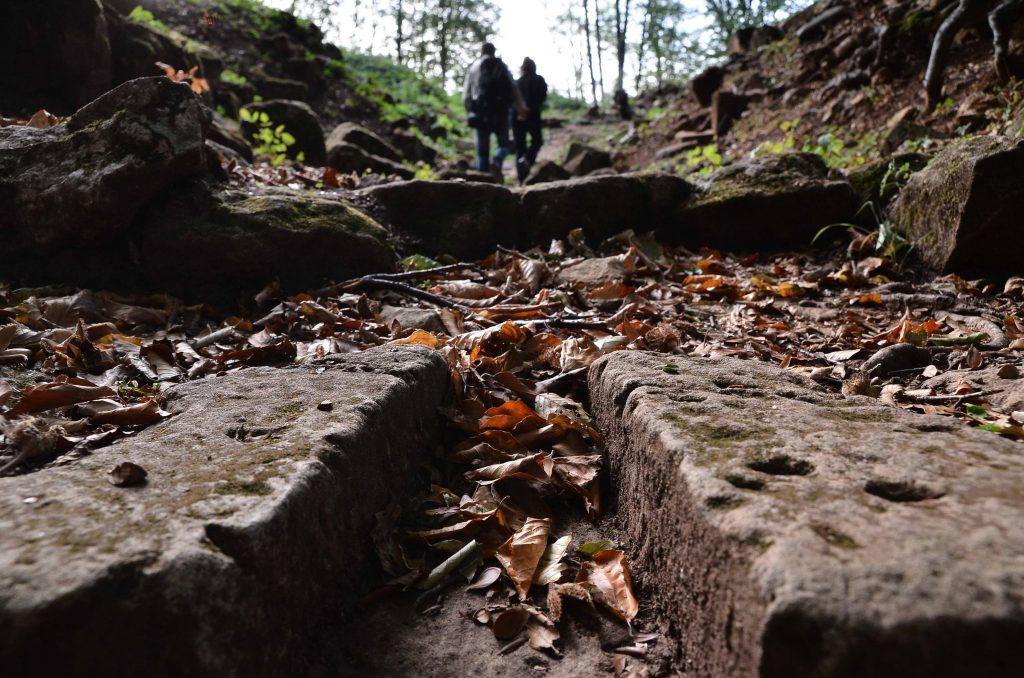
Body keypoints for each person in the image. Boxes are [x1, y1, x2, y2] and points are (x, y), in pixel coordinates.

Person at [463, 42, 527, 178]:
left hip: (480, 112)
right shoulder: (501, 66)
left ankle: (483, 181)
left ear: (481, 51)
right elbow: (514, 87)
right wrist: (521, 108)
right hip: (501, 111)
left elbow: (466, 94)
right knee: (504, 144)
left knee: (482, 152)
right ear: (494, 51)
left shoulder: (475, 66)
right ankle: (497, 161)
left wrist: (469, 111)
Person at [512, 57, 547, 184]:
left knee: (520, 146)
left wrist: (521, 111)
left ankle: (522, 178)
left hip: (517, 116)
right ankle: (527, 161)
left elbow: (512, 100)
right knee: (537, 141)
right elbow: (542, 97)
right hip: (533, 115)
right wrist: (531, 109)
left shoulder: (517, 82)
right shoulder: (540, 80)